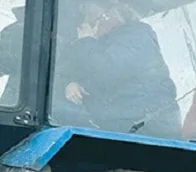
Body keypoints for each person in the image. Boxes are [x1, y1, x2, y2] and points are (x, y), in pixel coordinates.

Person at [52, 0, 180, 138]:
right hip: (118, 125)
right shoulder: (97, 48)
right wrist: (70, 84)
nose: (90, 27)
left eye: (94, 21)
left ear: (112, 13)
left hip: (147, 127)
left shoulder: (137, 34)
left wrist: (86, 41)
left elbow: (108, 74)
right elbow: (84, 76)